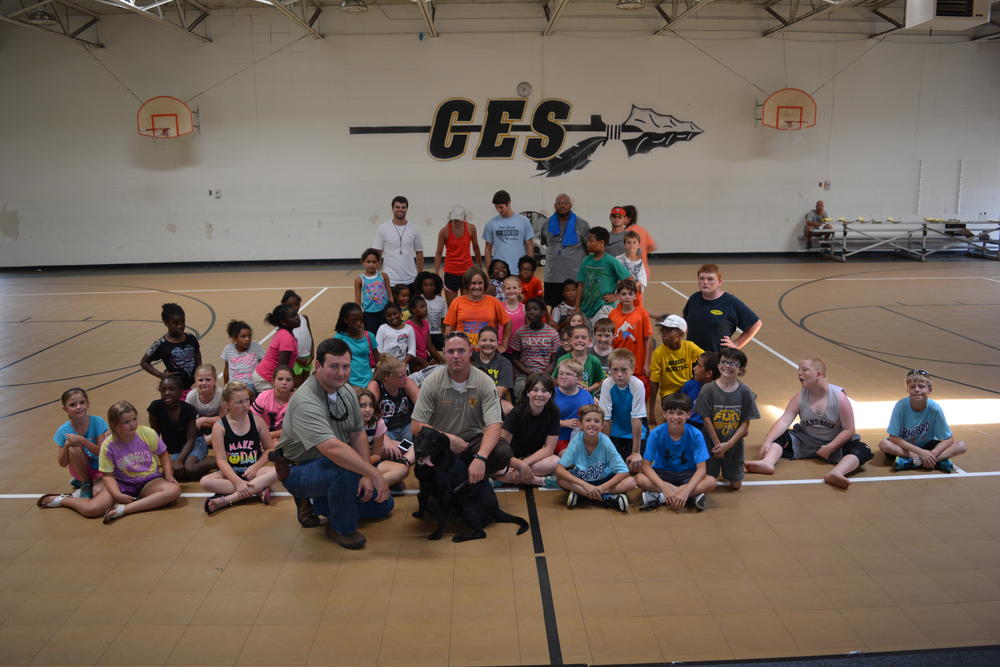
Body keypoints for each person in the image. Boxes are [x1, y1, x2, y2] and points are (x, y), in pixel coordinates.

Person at [276, 337, 393, 549]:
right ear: (318, 366)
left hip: (332, 462)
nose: (341, 373)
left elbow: (357, 433)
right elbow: (332, 448)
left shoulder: (346, 391)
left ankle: (320, 503)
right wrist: (372, 473)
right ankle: (340, 527)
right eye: (334, 366)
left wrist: (366, 475)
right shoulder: (305, 401)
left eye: (346, 366)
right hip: (299, 469)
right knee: (344, 471)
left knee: (383, 505)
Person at [745, 358, 873, 489]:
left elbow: (849, 430)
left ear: (818, 374)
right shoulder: (800, 396)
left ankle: (837, 473)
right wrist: (767, 441)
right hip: (805, 440)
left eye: (804, 370)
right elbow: (784, 420)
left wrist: (830, 447)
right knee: (780, 436)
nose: (799, 373)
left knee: (863, 449)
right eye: (799, 369)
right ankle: (767, 463)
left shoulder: (839, 397)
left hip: (833, 443)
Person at [410, 332, 512, 485]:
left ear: (470, 352)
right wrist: (448, 439)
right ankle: (460, 480)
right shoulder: (431, 382)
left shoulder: (485, 382)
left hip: (472, 443)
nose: (456, 356)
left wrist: (481, 458)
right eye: (450, 351)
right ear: (444, 353)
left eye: (461, 350)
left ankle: (470, 479)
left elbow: (494, 425)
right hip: (440, 443)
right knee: (435, 506)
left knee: (502, 452)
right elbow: (416, 425)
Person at [97, 400, 182, 524]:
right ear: (114, 425)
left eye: (134, 419)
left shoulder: (147, 433)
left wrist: (168, 474)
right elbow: (107, 475)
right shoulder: (108, 445)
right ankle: (62, 500)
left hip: (150, 480)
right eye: (126, 422)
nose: (132, 424)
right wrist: (117, 494)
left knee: (174, 490)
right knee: (92, 509)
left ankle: (124, 509)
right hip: (122, 483)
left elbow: (163, 454)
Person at [202, 381, 278, 514]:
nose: (245, 405)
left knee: (279, 471)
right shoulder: (219, 427)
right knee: (205, 482)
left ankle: (229, 499)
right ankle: (257, 489)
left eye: (247, 400)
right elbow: (221, 460)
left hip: (254, 472)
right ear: (227, 404)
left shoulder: (257, 421)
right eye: (239, 402)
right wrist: (237, 482)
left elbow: (269, 450)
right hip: (231, 474)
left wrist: (255, 467)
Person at [694, 348, 759, 491]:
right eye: (724, 362)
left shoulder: (745, 392)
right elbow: (705, 418)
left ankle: (735, 469)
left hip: (734, 444)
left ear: (741, 370)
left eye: (733, 363)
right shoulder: (708, 389)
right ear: (718, 365)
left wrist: (728, 444)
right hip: (711, 443)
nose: (727, 366)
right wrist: (718, 445)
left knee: (736, 485)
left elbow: (745, 422)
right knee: (710, 480)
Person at [637, 393, 714, 512]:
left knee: (711, 481)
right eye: (671, 412)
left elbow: (701, 469)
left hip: (687, 474)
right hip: (663, 473)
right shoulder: (655, 433)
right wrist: (664, 487)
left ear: (688, 414)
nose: (675, 417)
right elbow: (646, 466)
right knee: (639, 478)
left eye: (680, 413)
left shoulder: (696, 434)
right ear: (664, 414)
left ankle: (662, 497)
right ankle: (691, 496)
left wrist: (686, 490)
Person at [878, 370, 967, 473]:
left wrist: (932, 453)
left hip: (928, 445)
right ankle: (936, 462)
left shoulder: (935, 408)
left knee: (961, 445)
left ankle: (913, 462)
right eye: (912, 387)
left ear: (929, 390)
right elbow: (893, 437)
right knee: (884, 444)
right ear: (907, 389)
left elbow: (949, 439)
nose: (917, 390)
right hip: (906, 447)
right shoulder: (901, 406)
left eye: (921, 386)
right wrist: (921, 453)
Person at [555, 404, 635, 511]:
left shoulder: (605, 442)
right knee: (561, 480)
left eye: (596, 421)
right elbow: (559, 469)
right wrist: (585, 485)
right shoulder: (576, 442)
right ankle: (607, 499)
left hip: (603, 481)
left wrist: (602, 488)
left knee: (631, 482)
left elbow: (624, 471)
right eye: (588, 420)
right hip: (582, 481)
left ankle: (581, 495)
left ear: (602, 426)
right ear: (581, 425)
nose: (592, 424)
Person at [495, 373, 561, 487]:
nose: (539, 394)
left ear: (550, 394)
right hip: (510, 459)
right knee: (495, 466)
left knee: (557, 462)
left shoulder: (553, 412)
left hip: (532, 459)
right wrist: (517, 464)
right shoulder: (517, 413)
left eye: (544, 391)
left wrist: (524, 464)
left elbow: (549, 449)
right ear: (527, 392)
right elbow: (502, 448)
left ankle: (505, 480)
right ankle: (538, 481)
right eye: (535, 390)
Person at [44, 388, 108, 504]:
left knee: (98, 492)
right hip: (81, 468)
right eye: (73, 405)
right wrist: (67, 445)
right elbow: (62, 463)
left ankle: (85, 482)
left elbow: (101, 452)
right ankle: (85, 482)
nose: (78, 407)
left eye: (82, 402)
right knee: (74, 448)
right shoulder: (63, 431)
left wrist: (82, 440)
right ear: (65, 409)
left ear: (88, 404)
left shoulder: (97, 421)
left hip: (100, 468)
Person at [682, 264, 762, 353]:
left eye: (710, 279)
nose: (705, 282)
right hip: (692, 357)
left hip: (717, 359)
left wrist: (736, 345)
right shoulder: (694, 298)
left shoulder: (730, 302)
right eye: (701, 278)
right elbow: (684, 318)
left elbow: (756, 324)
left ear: (719, 282)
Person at [148, 375, 214, 481]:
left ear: (180, 391)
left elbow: (191, 440)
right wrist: (154, 460)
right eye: (163, 390)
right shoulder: (155, 407)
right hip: (174, 448)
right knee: (170, 473)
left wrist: (179, 460)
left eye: (171, 389)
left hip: (195, 443)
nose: (167, 393)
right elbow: (154, 436)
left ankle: (218, 462)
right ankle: (195, 468)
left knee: (190, 468)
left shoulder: (189, 410)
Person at [648, 315, 704, 426]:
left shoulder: (689, 347)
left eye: (669, 331)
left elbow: (707, 359)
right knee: (677, 411)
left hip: (688, 388)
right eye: (663, 331)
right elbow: (654, 383)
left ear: (681, 334)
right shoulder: (659, 353)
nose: (664, 334)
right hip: (669, 393)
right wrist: (651, 412)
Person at [599, 348, 647, 473]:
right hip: (615, 431)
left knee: (633, 468)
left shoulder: (637, 385)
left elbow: (636, 419)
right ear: (609, 370)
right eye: (615, 370)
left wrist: (636, 452)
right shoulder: (607, 384)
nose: (619, 374)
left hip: (635, 431)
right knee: (612, 467)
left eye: (624, 370)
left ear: (632, 369)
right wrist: (606, 449)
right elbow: (606, 419)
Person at [540, 193, 590, 309]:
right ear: (555, 206)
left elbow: (588, 248)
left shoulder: (582, 224)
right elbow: (546, 243)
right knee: (554, 308)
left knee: (577, 308)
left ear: (570, 205)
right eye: (559, 203)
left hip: (575, 277)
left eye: (565, 203)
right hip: (553, 276)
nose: (562, 206)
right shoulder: (546, 224)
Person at [442, 267, 511, 349]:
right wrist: (448, 346)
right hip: (463, 351)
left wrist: (504, 345)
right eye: (473, 283)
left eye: (480, 283)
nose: (477, 287)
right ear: (467, 284)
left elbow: (507, 322)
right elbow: (449, 327)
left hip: (488, 351)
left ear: (484, 284)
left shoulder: (494, 302)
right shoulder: (457, 302)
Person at [140, 302, 201, 393]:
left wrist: (200, 370)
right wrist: (162, 376)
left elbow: (197, 352)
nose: (180, 326)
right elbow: (144, 362)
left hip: (194, 387)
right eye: (175, 323)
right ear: (166, 323)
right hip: (177, 391)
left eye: (183, 322)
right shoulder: (160, 343)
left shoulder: (191, 338)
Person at [356, 387, 411, 490]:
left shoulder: (378, 423)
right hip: (351, 466)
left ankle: (371, 486)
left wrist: (366, 465)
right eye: (362, 406)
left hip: (369, 462)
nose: (368, 410)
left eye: (371, 405)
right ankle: (381, 484)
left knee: (402, 469)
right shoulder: (348, 424)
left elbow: (377, 455)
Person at [577, 226, 630, 326]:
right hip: (585, 308)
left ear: (601, 243)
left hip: (603, 307)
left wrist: (617, 296)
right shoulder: (586, 260)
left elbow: (630, 280)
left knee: (601, 337)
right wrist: (577, 307)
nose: (588, 243)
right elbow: (581, 285)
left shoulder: (611, 261)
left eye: (591, 241)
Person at [509, 298, 562, 396]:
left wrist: (543, 375)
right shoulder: (520, 332)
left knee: (547, 392)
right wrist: (528, 372)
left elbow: (554, 360)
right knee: (521, 388)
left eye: (535, 309)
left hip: (546, 373)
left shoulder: (552, 333)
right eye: (528, 309)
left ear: (542, 312)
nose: (531, 312)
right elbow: (515, 358)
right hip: (525, 374)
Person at [373, 195, 424, 287]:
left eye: (403, 207)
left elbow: (419, 253)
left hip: (411, 279)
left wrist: (420, 276)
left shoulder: (415, 229)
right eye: (397, 207)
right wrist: (376, 275)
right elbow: (378, 253)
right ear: (392, 209)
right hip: (389, 279)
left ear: (407, 209)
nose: (400, 209)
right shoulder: (383, 228)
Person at [434, 206, 482, 304]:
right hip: (451, 272)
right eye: (454, 219)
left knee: (467, 305)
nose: (456, 222)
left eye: (458, 220)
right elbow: (439, 253)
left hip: (467, 271)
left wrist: (480, 266)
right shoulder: (444, 231)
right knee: (452, 306)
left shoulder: (471, 228)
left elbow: (476, 247)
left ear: (464, 218)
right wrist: (436, 272)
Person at [608, 278, 653, 381]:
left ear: (635, 295)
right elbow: (610, 339)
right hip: (618, 362)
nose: (627, 297)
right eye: (623, 294)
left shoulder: (642, 314)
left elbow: (648, 338)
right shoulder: (613, 314)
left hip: (638, 365)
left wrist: (647, 363)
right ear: (618, 296)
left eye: (630, 293)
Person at [483, 190, 534, 280]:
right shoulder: (491, 224)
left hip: (519, 270)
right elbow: (488, 249)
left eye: (501, 207)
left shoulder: (524, 221)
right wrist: (489, 271)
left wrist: (530, 269)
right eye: (496, 208)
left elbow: (529, 246)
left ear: (509, 204)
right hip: (499, 272)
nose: (499, 210)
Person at [367, 355, 419, 443]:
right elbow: (369, 414)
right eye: (401, 376)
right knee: (387, 449)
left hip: (406, 425)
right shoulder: (375, 386)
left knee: (418, 442)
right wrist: (384, 439)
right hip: (385, 429)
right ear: (387, 378)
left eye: (406, 374)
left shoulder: (407, 383)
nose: (406, 378)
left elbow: (422, 405)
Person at [253, 304, 300, 392]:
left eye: (296, 314)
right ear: (283, 322)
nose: (297, 317)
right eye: (292, 316)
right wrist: (289, 388)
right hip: (265, 379)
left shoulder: (283, 332)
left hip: (266, 376)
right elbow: (282, 366)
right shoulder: (287, 338)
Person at [553, 358, 596, 454]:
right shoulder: (552, 394)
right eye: (561, 373)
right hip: (559, 438)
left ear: (579, 378)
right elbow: (543, 419)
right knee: (571, 456)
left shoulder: (586, 395)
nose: (563, 376)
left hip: (583, 437)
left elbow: (593, 416)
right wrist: (563, 422)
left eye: (568, 374)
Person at [333, 302, 378, 388]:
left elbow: (379, 361)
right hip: (348, 385)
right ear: (345, 320)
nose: (358, 323)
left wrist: (373, 380)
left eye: (361, 319)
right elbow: (334, 364)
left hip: (369, 384)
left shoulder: (369, 336)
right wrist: (345, 384)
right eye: (354, 320)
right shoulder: (339, 340)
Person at [552, 323, 605, 395]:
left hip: (586, 400)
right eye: (576, 337)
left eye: (583, 337)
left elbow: (601, 381)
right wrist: (567, 385)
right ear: (570, 340)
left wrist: (589, 389)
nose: (580, 340)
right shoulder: (563, 359)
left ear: (589, 341)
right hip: (567, 397)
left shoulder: (594, 361)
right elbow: (554, 379)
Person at [472, 326, 514, 413]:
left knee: (509, 408)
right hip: (471, 398)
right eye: (484, 340)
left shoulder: (504, 363)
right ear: (478, 342)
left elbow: (498, 393)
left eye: (492, 340)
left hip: (494, 400)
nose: (488, 343)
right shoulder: (470, 358)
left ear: (497, 343)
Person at [252, 365, 294, 441]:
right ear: (273, 381)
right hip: (263, 434)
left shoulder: (297, 400)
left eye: (288, 380)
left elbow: (296, 429)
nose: (284, 382)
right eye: (280, 379)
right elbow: (253, 421)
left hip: (287, 437)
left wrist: (271, 435)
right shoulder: (263, 397)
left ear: (294, 382)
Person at [356, 248, 392, 335]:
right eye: (368, 262)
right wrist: (359, 316)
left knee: (385, 335)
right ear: (363, 262)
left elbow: (390, 295)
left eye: (374, 262)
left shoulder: (384, 276)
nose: (371, 264)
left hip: (384, 312)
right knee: (372, 336)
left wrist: (392, 308)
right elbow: (357, 300)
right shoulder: (359, 279)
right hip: (369, 314)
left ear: (379, 263)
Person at [282, 290, 315, 386]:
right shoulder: (284, 323)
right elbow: (285, 345)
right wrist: (296, 358)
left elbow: (310, 336)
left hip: (307, 357)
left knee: (306, 384)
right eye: (290, 305)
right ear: (283, 304)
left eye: (296, 304)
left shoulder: (304, 318)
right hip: (295, 359)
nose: (293, 307)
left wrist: (312, 354)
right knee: (296, 384)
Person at [680, 352, 719, 432]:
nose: (694, 368)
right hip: (686, 425)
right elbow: (680, 407)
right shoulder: (689, 385)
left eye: (699, 365)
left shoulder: (720, 395)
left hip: (706, 430)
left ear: (708, 373)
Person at [186, 364, 225, 440]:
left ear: (215, 380)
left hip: (217, 425)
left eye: (208, 380)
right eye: (200, 380)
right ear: (196, 381)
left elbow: (223, 419)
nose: (204, 383)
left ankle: (207, 440)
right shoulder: (191, 396)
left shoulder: (221, 394)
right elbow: (189, 419)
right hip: (201, 425)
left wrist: (202, 420)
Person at [221, 320, 264, 385]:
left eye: (249, 336)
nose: (247, 339)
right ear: (235, 338)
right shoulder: (228, 349)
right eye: (243, 336)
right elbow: (226, 370)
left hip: (253, 384)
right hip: (234, 385)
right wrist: (225, 386)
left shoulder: (255, 347)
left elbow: (263, 365)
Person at [623, 205, 657, 281]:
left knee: (628, 292)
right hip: (644, 269)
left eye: (622, 216)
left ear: (628, 218)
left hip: (631, 270)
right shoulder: (642, 230)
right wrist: (643, 251)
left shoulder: (627, 232)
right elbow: (653, 247)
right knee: (638, 292)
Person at [375, 303, 416, 367]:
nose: (393, 317)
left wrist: (403, 364)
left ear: (400, 313)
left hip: (402, 366)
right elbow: (379, 350)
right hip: (386, 367)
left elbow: (412, 351)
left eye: (395, 313)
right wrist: (388, 366)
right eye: (389, 315)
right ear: (385, 317)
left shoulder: (409, 328)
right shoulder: (382, 328)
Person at [406, 295, 442, 367]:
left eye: (426, 307)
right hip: (413, 360)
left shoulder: (425, 323)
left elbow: (430, 346)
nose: (425, 309)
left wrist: (441, 360)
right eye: (422, 307)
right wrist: (422, 361)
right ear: (413, 310)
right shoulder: (407, 326)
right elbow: (407, 350)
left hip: (425, 358)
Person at [416, 271, 447, 352]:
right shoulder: (419, 300)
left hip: (437, 334)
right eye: (425, 285)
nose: (428, 287)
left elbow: (444, 320)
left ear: (435, 287)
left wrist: (444, 335)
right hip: (423, 334)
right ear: (421, 287)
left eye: (431, 285)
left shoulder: (441, 301)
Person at [616, 230, 648, 307]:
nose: (631, 245)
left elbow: (641, 282)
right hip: (620, 296)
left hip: (634, 297)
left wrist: (630, 291)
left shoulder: (639, 263)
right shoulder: (617, 260)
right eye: (628, 242)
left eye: (634, 242)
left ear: (638, 245)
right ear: (624, 245)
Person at [499, 275, 526, 346]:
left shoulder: (524, 308)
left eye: (514, 288)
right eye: (508, 288)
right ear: (503, 290)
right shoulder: (499, 307)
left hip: (518, 345)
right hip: (502, 345)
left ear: (520, 289)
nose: (511, 291)